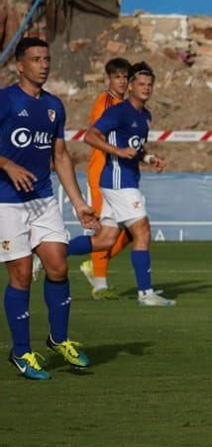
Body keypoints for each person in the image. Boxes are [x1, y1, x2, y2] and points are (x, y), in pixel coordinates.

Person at [0, 37, 102, 379]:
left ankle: (59, 339)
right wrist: (7, 165)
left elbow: (59, 155)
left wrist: (79, 203)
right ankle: (21, 352)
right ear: (20, 65)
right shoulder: (6, 101)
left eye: (46, 59)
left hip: (43, 199)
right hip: (7, 203)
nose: (43, 64)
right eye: (36, 59)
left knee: (57, 266)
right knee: (22, 275)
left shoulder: (54, 106)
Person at [70, 61, 174, 306]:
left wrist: (148, 158)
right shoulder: (118, 110)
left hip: (122, 180)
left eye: (150, 85)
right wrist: (117, 150)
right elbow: (90, 136)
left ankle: (48, 251)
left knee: (106, 239)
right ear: (131, 86)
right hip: (118, 181)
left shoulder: (145, 115)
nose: (146, 88)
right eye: (140, 84)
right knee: (142, 231)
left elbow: (134, 147)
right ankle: (146, 294)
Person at [79, 57, 133, 298]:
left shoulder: (126, 106)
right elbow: (94, 135)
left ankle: (91, 262)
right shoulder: (106, 102)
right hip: (102, 174)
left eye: (125, 77)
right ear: (108, 79)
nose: (121, 81)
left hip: (121, 176)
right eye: (117, 77)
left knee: (135, 230)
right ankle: (100, 286)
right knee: (105, 231)